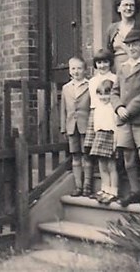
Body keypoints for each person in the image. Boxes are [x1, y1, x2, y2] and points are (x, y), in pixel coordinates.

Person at [111, 29, 140, 208]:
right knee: (128, 156)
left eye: (136, 44)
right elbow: (114, 92)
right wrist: (119, 107)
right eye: (129, 45)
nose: (132, 48)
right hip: (124, 118)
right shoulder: (122, 67)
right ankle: (134, 191)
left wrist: (128, 110)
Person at [83, 49, 119, 204]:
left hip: (111, 120)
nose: (102, 65)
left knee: (111, 162)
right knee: (100, 160)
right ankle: (104, 189)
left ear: (110, 62)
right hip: (98, 118)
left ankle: (113, 190)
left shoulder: (115, 78)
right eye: (99, 62)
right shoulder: (92, 81)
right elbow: (94, 103)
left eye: (105, 62)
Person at [60, 56, 91, 197]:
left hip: (86, 126)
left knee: (87, 156)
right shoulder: (66, 88)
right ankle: (78, 186)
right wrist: (63, 128)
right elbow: (63, 110)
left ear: (85, 70)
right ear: (69, 71)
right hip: (72, 126)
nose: (76, 71)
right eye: (73, 68)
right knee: (75, 156)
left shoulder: (90, 85)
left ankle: (87, 186)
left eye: (79, 68)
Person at [105, 0, 140, 72]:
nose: (128, 8)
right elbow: (108, 52)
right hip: (116, 67)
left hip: (136, 67)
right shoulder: (112, 28)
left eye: (132, 5)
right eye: (125, 5)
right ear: (118, 8)